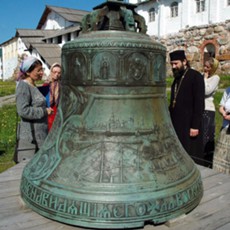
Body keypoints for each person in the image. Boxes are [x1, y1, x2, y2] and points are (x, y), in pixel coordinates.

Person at [169, 50, 205, 166]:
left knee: (191, 154)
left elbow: (199, 103)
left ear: (184, 61)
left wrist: (195, 125)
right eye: (172, 64)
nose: (174, 67)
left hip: (190, 124)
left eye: (176, 63)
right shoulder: (177, 79)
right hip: (177, 123)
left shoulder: (195, 77)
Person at [15, 56, 53, 163]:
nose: (42, 72)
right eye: (38, 70)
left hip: (39, 136)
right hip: (31, 138)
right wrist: (44, 111)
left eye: (42, 69)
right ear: (27, 72)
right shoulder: (23, 86)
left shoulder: (32, 85)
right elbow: (23, 110)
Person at [202, 57, 220, 167]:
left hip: (208, 110)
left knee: (207, 137)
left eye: (208, 67)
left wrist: (204, 78)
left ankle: (207, 162)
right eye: (204, 66)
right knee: (201, 137)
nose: (205, 69)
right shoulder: (202, 76)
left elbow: (206, 91)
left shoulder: (215, 78)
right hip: (200, 109)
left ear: (213, 68)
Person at [212, 87, 230, 174]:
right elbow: (221, 106)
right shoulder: (228, 90)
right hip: (225, 128)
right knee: (221, 157)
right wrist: (223, 113)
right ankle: (219, 177)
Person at [43, 63, 62, 131]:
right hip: (49, 111)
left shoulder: (62, 85)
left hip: (59, 111)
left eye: (59, 73)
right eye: (55, 72)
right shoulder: (46, 84)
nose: (57, 74)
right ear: (51, 72)